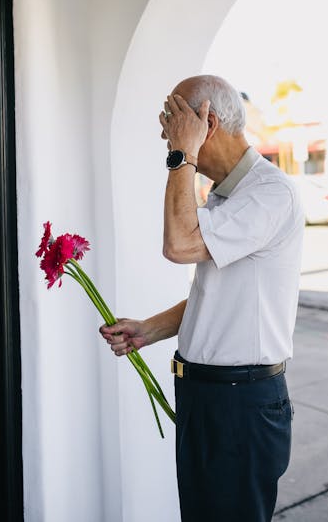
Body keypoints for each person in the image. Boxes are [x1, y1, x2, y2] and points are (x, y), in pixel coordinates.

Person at [100, 74, 304, 522]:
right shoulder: (225, 194)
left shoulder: (270, 193)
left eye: (172, 119)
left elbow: (179, 245)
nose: (164, 132)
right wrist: (149, 329)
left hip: (239, 402)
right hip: (209, 397)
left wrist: (182, 155)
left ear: (206, 122)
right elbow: (220, 296)